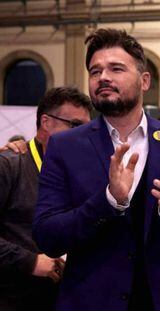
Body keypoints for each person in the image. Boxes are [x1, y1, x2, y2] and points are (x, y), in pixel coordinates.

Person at [33, 28, 160, 311]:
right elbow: (47, 237)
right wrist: (108, 201)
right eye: (95, 71)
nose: (103, 77)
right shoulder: (64, 146)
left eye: (116, 68)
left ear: (144, 80)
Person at [0, 86, 91, 310]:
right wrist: (30, 262)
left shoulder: (80, 172)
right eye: (75, 125)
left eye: (87, 129)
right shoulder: (9, 165)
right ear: (46, 122)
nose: (83, 136)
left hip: (66, 298)